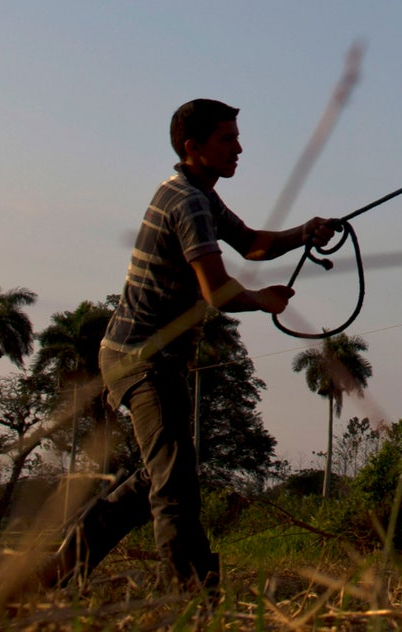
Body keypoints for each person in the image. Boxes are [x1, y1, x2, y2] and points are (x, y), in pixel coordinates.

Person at [50, 98, 334, 592]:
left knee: (156, 480)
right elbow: (218, 291)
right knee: (176, 486)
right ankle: (192, 597)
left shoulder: (198, 193)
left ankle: (56, 573)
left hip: (143, 356)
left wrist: (304, 233)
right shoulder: (188, 203)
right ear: (193, 147)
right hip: (143, 359)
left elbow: (250, 244)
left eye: (237, 138)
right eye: (228, 139)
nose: (239, 148)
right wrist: (263, 300)